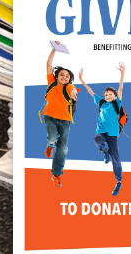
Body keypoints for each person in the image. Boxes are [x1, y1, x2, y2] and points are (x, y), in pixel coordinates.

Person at [80, 62, 126, 196]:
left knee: (116, 158)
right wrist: (81, 80)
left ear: (115, 96)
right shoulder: (101, 102)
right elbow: (90, 91)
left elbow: (121, 88)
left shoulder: (116, 104)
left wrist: (122, 73)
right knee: (97, 138)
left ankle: (118, 182)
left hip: (112, 135)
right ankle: (104, 151)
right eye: (106, 95)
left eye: (110, 94)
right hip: (101, 131)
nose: (107, 96)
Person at [42, 42, 80, 188]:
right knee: (52, 138)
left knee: (63, 149)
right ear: (56, 76)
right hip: (50, 117)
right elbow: (49, 63)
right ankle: (50, 145)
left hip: (65, 122)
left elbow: (72, 89)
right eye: (62, 74)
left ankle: (56, 174)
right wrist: (54, 49)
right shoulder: (51, 82)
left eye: (67, 76)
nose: (64, 77)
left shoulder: (69, 87)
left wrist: (73, 92)